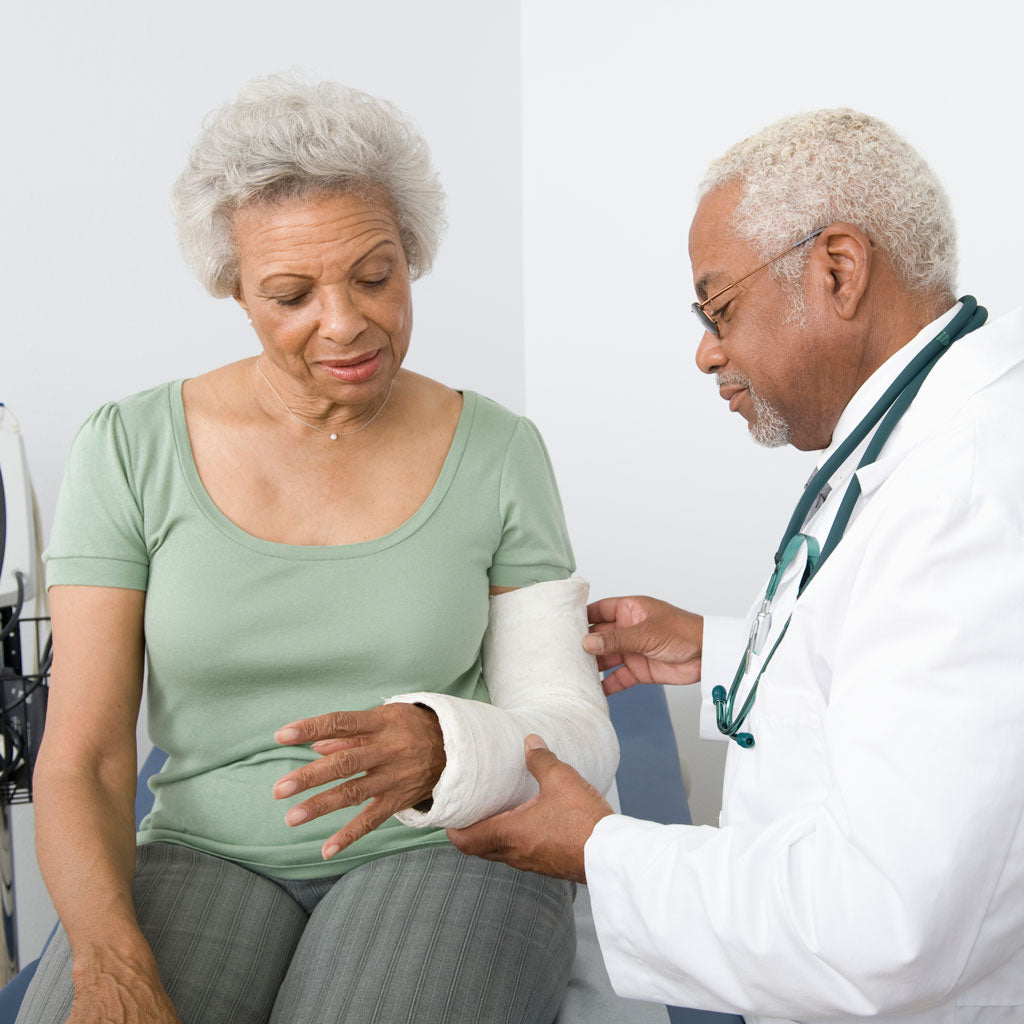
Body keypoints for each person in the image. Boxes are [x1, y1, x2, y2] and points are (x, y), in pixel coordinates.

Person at [20, 75, 619, 1024]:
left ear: (411, 255)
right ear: (236, 290)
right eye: (292, 294)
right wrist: (110, 962)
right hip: (202, 852)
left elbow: (565, 723)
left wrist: (447, 745)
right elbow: (85, 759)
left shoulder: (500, 450)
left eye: (376, 276)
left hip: (446, 844)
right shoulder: (129, 448)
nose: (345, 322)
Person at [449, 108, 1024, 1023]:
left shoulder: (964, 496)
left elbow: (883, 925)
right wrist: (722, 652)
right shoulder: (923, 433)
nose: (707, 351)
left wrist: (603, 850)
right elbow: (903, 675)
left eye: (720, 309)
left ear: (838, 269)